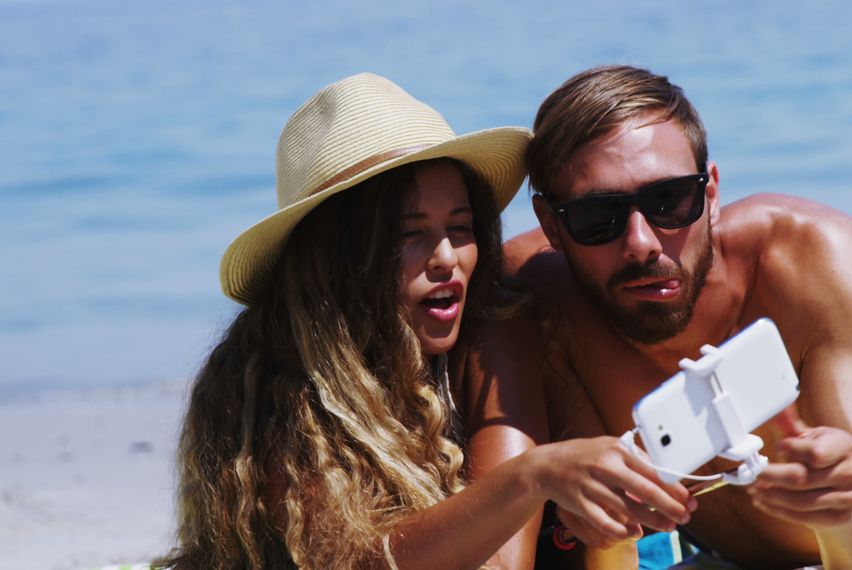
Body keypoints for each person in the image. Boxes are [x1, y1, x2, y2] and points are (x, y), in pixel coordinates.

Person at [465, 65, 852, 568]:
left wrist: (848, 501)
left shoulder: (812, 257)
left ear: (709, 193)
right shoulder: (529, 299)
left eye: (667, 201)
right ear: (551, 225)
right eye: (598, 218)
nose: (642, 243)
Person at [155, 72, 694, 570]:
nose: (447, 258)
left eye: (461, 229)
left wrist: (536, 478)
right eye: (407, 235)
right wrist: (530, 478)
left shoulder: (493, 335)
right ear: (334, 256)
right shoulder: (269, 386)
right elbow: (353, 563)